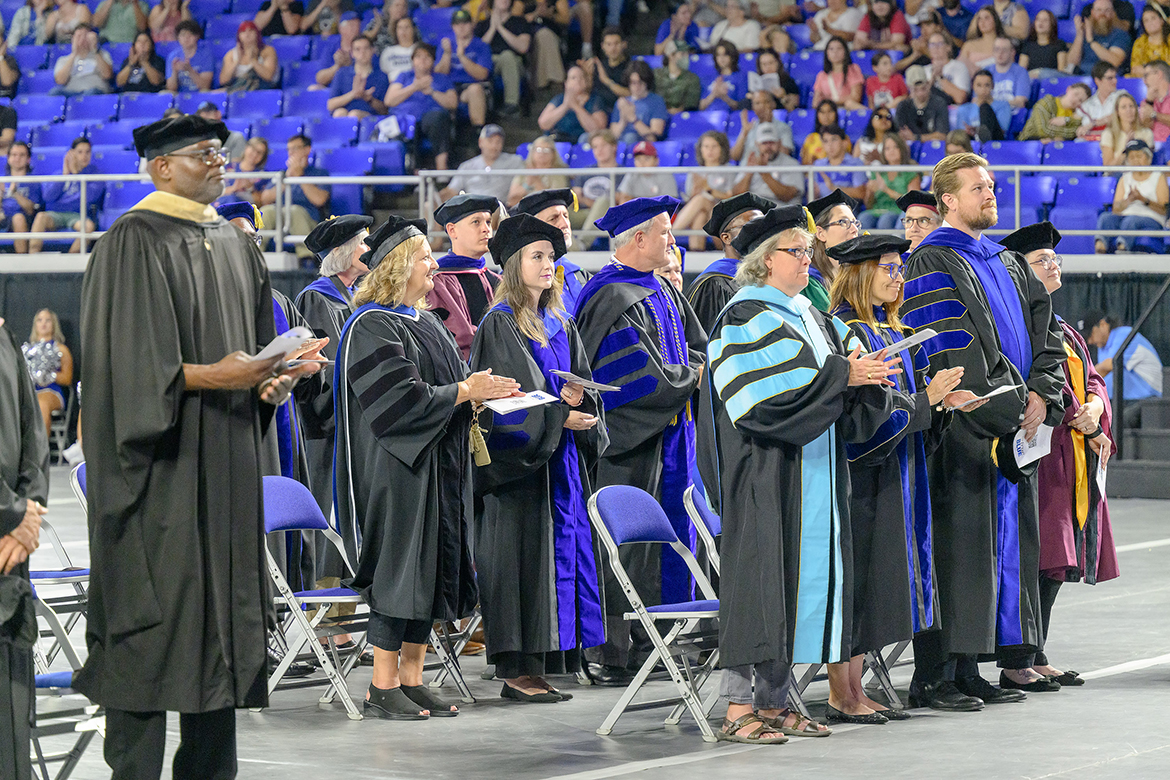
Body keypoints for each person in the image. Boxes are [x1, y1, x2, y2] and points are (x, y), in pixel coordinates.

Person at [75, 114, 318, 779]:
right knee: (150, 641)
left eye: (220, 153)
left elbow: (250, 362)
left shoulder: (238, 246)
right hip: (160, 483)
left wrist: (267, 386)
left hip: (227, 476)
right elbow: (129, 375)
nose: (218, 162)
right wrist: (226, 375)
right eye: (202, 154)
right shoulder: (132, 241)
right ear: (160, 166)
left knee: (219, 643)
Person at [698, 205, 897, 743]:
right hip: (763, 473)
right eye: (797, 252)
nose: (809, 260)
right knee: (759, 587)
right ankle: (739, 709)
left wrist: (867, 372)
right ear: (765, 261)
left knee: (790, 589)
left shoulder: (805, 315)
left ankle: (778, 703)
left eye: (809, 251)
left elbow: (835, 380)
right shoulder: (744, 315)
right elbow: (764, 404)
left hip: (809, 468)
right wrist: (842, 372)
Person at [899, 151, 1067, 712]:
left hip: (1012, 425)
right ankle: (934, 674)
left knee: (991, 547)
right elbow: (950, 347)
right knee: (953, 545)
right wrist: (1009, 407)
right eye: (978, 188)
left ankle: (970, 666)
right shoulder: (930, 262)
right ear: (948, 198)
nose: (990, 194)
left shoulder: (1008, 261)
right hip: (961, 428)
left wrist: (1043, 394)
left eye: (992, 185)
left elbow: (1048, 335)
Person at [333, 215, 512, 720]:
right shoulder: (371, 324)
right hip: (398, 471)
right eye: (424, 258)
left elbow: (448, 389)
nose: (433, 265)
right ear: (398, 267)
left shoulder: (425, 320)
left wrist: (478, 395)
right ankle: (380, 685)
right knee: (401, 573)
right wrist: (464, 391)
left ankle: (411, 678)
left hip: (438, 464)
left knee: (432, 571)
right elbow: (398, 403)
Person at [825, 232, 973, 724]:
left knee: (873, 582)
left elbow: (911, 408)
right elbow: (862, 421)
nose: (897, 276)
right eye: (888, 268)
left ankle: (856, 689)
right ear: (862, 273)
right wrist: (926, 401)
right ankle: (841, 693)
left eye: (898, 268)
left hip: (898, 473)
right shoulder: (848, 334)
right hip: (864, 477)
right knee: (857, 581)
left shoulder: (893, 331)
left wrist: (944, 404)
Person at [469, 214, 606, 703]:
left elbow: (577, 384)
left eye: (551, 257)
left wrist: (584, 406)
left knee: (555, 557)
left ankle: (545, 662)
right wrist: (556, 418)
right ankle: (516, 670)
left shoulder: (558, 321)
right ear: (512, 264)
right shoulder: (499, 322)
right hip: (518, 472)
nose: (549, 265)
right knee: (519, 562)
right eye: (537, 256)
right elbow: (505, 399)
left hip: (559, 465)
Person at [574, 195, 706, 686]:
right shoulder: (610, 296)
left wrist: (692, 371)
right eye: (666, 234)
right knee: (623, 547)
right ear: (639, 239)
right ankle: (613, 651)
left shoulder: (663, 290)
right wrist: (688, 378)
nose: (673, 241)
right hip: (628, 442)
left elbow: (698, 347)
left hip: (670, 437)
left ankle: (659, 641)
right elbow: (632, 377)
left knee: (667, 539)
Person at [1000, 221, 1119, 689]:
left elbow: (1091, 378)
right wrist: (1080, 415)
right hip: (1042, 454)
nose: (1052, 265)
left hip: (1073, 457)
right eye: (1041, 260)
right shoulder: (1020, 323)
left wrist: (1095, 407)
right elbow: (1040, 382)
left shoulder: (1064, 326)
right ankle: (1017, 660)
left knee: (1057, 559)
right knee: (1042, 554)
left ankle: (1037, 651)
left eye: (1054, 259)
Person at [0, 312, 49, 780]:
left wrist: (30, 509)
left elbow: (31, 429)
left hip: (11, 553)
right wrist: (11, 514)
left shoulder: (3, 337)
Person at [685, 192, 771, 332]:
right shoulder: (714, 284)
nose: (758, 234)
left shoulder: (770, 278)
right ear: (726, 238)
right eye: (749, 227)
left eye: (762, 227)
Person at [430, 193, 502, 359]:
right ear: (452, 230)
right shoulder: (438, 283)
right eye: (476, 222)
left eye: (488, 222)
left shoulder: (496, 280)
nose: (486, 229)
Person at [512, 187, 592, 309]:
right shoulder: (516, 277)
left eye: (566, 216)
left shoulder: (579, 275)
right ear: (533, 228)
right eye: (554, 218)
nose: (564, 224)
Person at [1082, 308, 1164, 426]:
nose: (1089, 341)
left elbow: (1109, 365)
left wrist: (1085, 377)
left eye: (1090, 334)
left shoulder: (1124, 334)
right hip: (1124, 400)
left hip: (1149, 398)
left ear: (1103, 324)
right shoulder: (1102, 347)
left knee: (1117, 421)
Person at [257, 134, 331, 262]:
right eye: (289, 149)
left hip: (308, 220)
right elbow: (265, 199)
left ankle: (306, 258)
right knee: (268, 210)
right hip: (279, 219)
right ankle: (254, 253)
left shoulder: (319, 173)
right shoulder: (282, 174)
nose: (291, 153)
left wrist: (299, 176)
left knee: (294, 210)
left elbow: (320, 200)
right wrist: (287, 179)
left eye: (295, 148)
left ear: (307, 150)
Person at [384, 42, 454, 170]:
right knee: (407, 124)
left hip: (431, 119)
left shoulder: (442, 79)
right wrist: (414, 87)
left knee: (438, 118)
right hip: (406, 120)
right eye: (418, 56)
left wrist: (432, 92)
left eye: (427, 57)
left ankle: (441, 170)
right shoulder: (404, 76)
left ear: (433, 61)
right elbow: (389, 100)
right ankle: (414, 172)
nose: (422, 60)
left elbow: (453, 103)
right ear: (413, 61)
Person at [28, 138, 103, 254]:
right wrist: (65, 176)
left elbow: (90, 197)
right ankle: (32, 259)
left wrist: (76, 175)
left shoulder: (95, 175)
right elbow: (48, 197)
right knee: (40, 217)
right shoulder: (59, 174)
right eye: (80, 152)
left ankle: (70, 260)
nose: (84, 156)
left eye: (87, 152)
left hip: (78, 215)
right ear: (71, 153)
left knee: (88, 227)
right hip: (56, 214)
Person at [1094, 139, 1168, 253]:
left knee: (1131, 220)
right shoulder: (1125, 178)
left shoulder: (1158, 176)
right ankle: (1100, 249)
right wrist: (1128, 200)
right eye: (1132, 157)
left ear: (1148, 158)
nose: (1135, 160)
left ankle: (1123, 249)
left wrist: (1143, 200)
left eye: (1139, 156)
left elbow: (1164, 209)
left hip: (1152, 219)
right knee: (1106, 217)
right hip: (1125, 217)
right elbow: (1115, 209)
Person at [674, 130, 736, 250]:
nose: (710, 150)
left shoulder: (729, 170)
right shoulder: (695, 172)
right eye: (706, 147)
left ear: (722, 148)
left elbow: (732, 197)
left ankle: (671, 233)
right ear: (700, 149)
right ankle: (696, 253)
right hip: (703, 213)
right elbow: (690, 201)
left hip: (722, 212)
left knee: (702, 199)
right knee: (700, 215)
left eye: (714, 146)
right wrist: (695, 191)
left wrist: (708, 189)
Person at [21, 308, 73, 441]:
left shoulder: (61, 349)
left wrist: (47, 376)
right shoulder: (26, 350)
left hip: (52, 392)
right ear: (35, 324)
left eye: (48, 320)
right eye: (40, 320)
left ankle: (39, 452)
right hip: (31, 392)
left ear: (53, 324)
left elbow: (67, 379)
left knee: (41, 403)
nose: (43, 323)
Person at [439, 124, 524, 204]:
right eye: (490, 141)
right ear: (480, 142)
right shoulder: (467, 166)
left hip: (500, 207)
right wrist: (436, 197)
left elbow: (526, 183)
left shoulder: (515, 161)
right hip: (472, 208)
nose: (494, 146)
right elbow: (452, 190)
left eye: (498, 142)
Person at [475, 0, 532, 117]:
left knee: (507, 56)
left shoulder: (520, 21)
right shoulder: (483, 24)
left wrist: (500, 28)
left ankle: (512, 104)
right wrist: (492, 28)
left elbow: (523, 47)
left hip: (515, 62)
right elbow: (477, 51)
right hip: (489, 62)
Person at [807, 188, 861, 312]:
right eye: (843, 222)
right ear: (820, 233)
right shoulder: (811, 282)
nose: (854, 229)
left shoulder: (859, 274)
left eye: (855, 223)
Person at [733, 122, 802, 206]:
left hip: (782, 212)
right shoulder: (749, 162)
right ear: (757, 144)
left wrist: (764, 173)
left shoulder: (791, 164)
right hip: (754, 211)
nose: (768, 147)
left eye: (772, 142)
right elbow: (737, 197)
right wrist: (748, 173)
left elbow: (787, 195)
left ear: (779, 143)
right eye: (764, 143)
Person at [860, 135, 919, 230]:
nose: (891, 151)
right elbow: (868, 205)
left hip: (898, 211)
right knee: (863, 218)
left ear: (901, 149)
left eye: (895, 147)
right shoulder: (878, 173)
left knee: (885, 220)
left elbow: (913, 202)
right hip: (878, 210)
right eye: (887, 148)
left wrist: (886, 190)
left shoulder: (910, 173)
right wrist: (870, 192)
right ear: (883, 152)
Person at [571, 129, 620, 241]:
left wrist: (593, 202)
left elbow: (617, 200)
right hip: (584, 213)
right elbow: (576, 196)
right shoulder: (585, 171)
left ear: (614, 147)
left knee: (603, 201)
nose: (599, 150)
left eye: (603, 145)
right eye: (595, 147)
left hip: (608, 217)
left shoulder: (622, 173)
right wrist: (595, 205)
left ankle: (583, 243)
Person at [540, 64, 608, 142]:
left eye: (581, 77)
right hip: (559, 138)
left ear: (586, 82)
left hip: (582, 141)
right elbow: (543, 123)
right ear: (566, 83)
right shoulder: (559, 99)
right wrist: (565, 106)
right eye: (573, 78)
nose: (578, 81)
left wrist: (576, 106)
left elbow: (597, 130)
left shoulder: (595, 100)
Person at [327, 34, 389, 118]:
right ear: (352, 53)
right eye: (357, 49)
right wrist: (353, 94)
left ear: (372, 50)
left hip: (369, 119)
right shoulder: (342, 73)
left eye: (366, 48)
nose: (362, 53)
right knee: (339, 113)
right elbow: (331, 105)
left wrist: (369, 99)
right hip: (344, 114)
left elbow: (384, 110)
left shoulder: (381, 76)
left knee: (354, 115)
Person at [610, 60, 669, 145]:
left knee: (630, 137)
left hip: (642, 145)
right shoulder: (622, 102)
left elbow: (653, 137)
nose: (637, 87)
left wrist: (633, 119)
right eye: (633, 83)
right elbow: (613, 137)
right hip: (621, 143)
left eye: (640, 82)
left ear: (647, 82)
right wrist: (623, 119)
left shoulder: (657, 101)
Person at [1069, 0, 1132, 75]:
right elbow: (1071, 63)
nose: (1102, 14)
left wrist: (1091, 42)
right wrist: (1079, 35)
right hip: (1080, 76)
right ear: (1092, 13)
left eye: (1107, 10)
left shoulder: (1120, 35)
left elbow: (1115, 61)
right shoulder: (1084, 33)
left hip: (1105, 77)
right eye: (1099, 10)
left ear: (1113, 13)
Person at [508, 136, 571, 207]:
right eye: (538, 149)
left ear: (553, 153)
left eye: (546, 150)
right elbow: (511, 201)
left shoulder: (558, 173)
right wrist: (527, 185)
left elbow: (554, 202)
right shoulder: (523, 171)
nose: (542, 154)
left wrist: (537, 181)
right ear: (532, 152)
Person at [732, 91, 796, 161]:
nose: (762, 106)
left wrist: (769, 124)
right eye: (757, 103)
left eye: (766, 102)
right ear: (753, 107)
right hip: (747, 170)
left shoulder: (783, 128)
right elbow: (735, 157)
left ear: (773, 104)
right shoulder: (749, 127)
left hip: (770, 169)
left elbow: (785, 155)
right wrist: (744, 132)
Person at [219, 20, 279, 92]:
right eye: (243, 31)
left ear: (257, 33)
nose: (247, 34)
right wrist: (236, 61)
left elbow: (268, 77)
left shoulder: (268, 51)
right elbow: (223, 81)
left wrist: (253, 60)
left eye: (251, 30)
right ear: (239, 36)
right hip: (237, 89)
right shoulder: (231, 54)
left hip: (261, 89)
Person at [51, 25, 113, 95]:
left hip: (94, 91)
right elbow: (60, 81)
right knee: (54, 92)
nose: (83, 39)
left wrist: (94, 50)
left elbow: (107, 75)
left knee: (90, 93)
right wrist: (74, 54)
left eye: (86, 36)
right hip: (72, 92)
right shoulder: (64, 60)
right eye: (79, 36)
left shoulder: (102, 55)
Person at [3, 143, 41, 254]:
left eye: (21, 155)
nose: (17, 158)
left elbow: (30, 210)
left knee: (18, 218)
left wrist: (15, 193)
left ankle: (22, 264)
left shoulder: (33, 182)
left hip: (25, 219)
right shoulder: (2, 180)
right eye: (14, 155)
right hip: (4, 218)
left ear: (28, 159)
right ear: (8, 158)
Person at [1019, 82, 1090, 142]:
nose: (1075, 100)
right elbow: (1044, 130)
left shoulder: (1077, 115)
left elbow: (1082, 130)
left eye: (1080, 100)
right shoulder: (1047, 103)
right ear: (1068, 89)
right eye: (1076, 94)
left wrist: (1067, 121)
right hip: (1031, 140)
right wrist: (1070, 124)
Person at [583, 26, 631, 116]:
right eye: (608, 44)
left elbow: (632, 94)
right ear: (603, 46)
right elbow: (588, 93)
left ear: (624, 44)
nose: (613, 49)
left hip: (622, 112)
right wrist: (588, 76)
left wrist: (606, 81)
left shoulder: (631, 67)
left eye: (616, 44)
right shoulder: (599, 66)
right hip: (597, 112)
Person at [896, 65, 950, 142]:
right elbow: (900, 134)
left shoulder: (939, 103)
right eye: (915, 90)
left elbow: (942, 135)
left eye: (923, 88)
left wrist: (916, 138)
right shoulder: (903, 106)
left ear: (928, 84)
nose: (920, 94)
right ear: (909, 88)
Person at [813, 126, 866, 201]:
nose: (830, 145)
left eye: (834, 140)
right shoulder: (818, 165)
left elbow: (860, 193)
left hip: (847, 209)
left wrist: (833, 188)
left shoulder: (856, 164)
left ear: (844, 142)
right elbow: (813, 195)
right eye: (825, 141)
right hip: (822, 210)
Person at [956, 69, 1010, 141]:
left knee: (985, 107)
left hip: (994, 141)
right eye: (979, 85)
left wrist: (977, 130)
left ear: (993, 86)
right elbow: (961, 134)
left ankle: (984, 134)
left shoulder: (1003, 106)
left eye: (987, 85)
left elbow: (1002, 131)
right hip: (971, 143)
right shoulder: (964, 109)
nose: (983, 89)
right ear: (973, 86)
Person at [1100, 91, 1153, 164]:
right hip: (1118, 173)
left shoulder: (1146, 133)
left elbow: (1148, 163)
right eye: (1123, 107)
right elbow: (1108, 167)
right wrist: (1126, 149)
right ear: (1117, 112)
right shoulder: (1108, 134)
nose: (1129, 110)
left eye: (1131, 106)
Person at [814, 35, 865, 110]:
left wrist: (830, 101)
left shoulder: (853, 69)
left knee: (850, 103)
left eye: (839, 48)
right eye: (831, 49)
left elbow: (855, 98)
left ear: (845, 51)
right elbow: (815, 102)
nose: (835, 52)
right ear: (827, 53)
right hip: (828, 112)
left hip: (847, 109)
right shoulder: (821, 75)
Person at [312, 11, 361, 87]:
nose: (356, 29)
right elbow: (320, 78)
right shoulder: (332, 47)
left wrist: (350, 64)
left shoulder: (364, 46)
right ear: (341, 28)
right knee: (314, 88)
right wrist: (338, 66)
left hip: (356, 86)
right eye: (352, 25)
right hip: (334, 88)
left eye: (357, 25)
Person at [653, 40, 702, 115]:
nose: (686, 57)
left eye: (687, 54)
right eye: (682, 54)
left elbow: (690, 105)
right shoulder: (656, 75)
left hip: (681, 118)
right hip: (656, 117)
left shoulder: (692, 78)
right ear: (671, 55)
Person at [1075, 62, 1121, 141]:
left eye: (1115, 77)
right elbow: (1076, 121)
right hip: (1090, 142)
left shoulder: (1121, 96)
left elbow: (1121, 114)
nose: (1115, 81)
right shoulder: (1087, 104)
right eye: (1110, 78)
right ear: (1097, 80)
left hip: (1114, 139)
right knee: (1078, 142)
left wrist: (1094, 123)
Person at [165, 19, 213, 92]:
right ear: (178, 37)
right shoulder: (173, 56)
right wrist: (174, 71)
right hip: (180, 96)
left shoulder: (206, 55)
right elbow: (171, 88)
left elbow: (205, 86)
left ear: (197, 36)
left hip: (200, 94)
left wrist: (190, 70)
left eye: (191, 34)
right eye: (183, 35)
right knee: (164, 94)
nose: (186, 38)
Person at [1019, 9, 1069, 78]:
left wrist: (1041, 73)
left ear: (1052, 24)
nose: (1041, 23)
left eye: (1045, 20)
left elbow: (1061, 72)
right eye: (1038, 19)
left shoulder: (1059, 45)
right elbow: (1021, 72)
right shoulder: (1028, 45)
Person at [924, 31, 971, 105]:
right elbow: (919, 99)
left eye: (940, 44)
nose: (935, 48)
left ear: (948, 47)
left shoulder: (959, 67)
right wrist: (933, 79)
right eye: (932, 45)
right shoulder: (924, 70)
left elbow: (960, 98)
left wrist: (941, 78)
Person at [219, 136, 271, 203]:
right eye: (253, 149)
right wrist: (234, 188)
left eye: (259, 152)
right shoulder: (228, 167)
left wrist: (250, 188)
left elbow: (262, 203)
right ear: (246, 148)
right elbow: (214, 193)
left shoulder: (263, 175)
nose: (255, 154)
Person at [986, 36, 1029, 109]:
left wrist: (995, 104)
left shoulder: (1021, 72)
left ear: (1012, 52)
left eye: (1004, 50)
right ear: (993, 52)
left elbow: (1020, 102)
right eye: (997, 49)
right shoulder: (986, 71)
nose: (1000, 53)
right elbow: (976, 100)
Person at [958, 6, 1003, 73]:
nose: (982, 22)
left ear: (995, 20)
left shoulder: (1004, 44)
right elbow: (959, 68)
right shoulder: (969, 45)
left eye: (986, 18)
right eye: (979, 19)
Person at [800, 99, 845, 164]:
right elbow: (804, 165)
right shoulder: (810, 138)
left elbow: (847, 162)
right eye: (822, 112)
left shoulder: (843, 139)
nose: (826, 116)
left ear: (836, 114)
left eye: (830, 111)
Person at [1132, 6, 1170, 78]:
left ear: (1161, 20)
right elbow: (1135, 69)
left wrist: (1149, 72)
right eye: (1146, 20)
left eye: (1153, 18)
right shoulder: (1139, 43)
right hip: (1146, 80)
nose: (1150, 23)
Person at [378, 15, 417, 83]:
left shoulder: (419, 49)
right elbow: (383, 72)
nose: (403, 31)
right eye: (400, 28)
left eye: (407, 27)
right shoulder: (388, 52)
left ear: (413, 29)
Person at [1140, 59, 1170, 142]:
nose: (1144, 81)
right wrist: (1149, 102)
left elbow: (1152, 114)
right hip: (1151, 148)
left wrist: (1154, 114)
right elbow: (1145, 128)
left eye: (1146, 75)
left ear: (1159, 74)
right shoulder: (1147, 101)